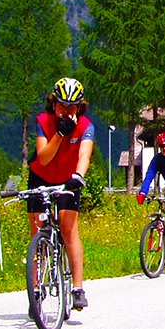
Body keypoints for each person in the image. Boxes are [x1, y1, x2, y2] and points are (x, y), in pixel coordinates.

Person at [28, 77, 95, 310]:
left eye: (71, 107)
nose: (66, 111)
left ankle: (77, 288)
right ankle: (36, 289)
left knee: (69, 230)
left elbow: (84, 155)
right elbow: (43, 158)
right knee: (37, 233)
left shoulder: (86, 126)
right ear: (53, 104)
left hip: (69, 178)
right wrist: (59, 134)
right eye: (61, 106)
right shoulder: (43, 121)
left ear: (79, 107)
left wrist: (79, 175)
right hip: (41, 176)